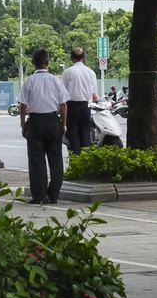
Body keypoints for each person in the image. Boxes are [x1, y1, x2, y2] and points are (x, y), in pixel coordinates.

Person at [18, 49, 70, 204]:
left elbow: (23, 105)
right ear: (47, 63)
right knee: (56, 158)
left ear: (33, 63)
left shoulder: (29, 81)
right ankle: (53, 194)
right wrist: (63, 124)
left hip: (35, 122)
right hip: (53, 120)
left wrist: (23, 124)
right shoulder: (56, 80)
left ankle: (39, 195)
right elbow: (63, 105)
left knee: (36, 159)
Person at [62, 47, 98, 155]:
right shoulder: (91, 72)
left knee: (72, 134)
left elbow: (62, 91)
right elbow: (94, 92)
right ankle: (84, 161)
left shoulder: (67, 72)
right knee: (85, 133)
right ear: (84, 58)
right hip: (85, 106)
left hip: (71, 107)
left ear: (71, 58)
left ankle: (75, 160)